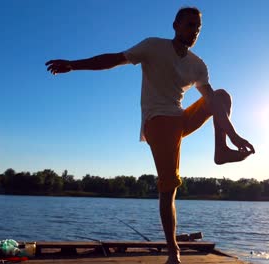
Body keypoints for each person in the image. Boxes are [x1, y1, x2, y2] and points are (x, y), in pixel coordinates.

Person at [46, 7, 255, 264]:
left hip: (180, 119)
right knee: (169, 188)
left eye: (198, 29)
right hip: (157, 121)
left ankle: (220, 151)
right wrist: (74, 65)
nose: (194, 32)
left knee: (221, 96)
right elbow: (113, 59)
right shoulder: (153, 47)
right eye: (190, 26)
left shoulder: (198, 65)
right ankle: (173, 252)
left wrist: (232, 134)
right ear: (175, 25)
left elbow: (212, 102)